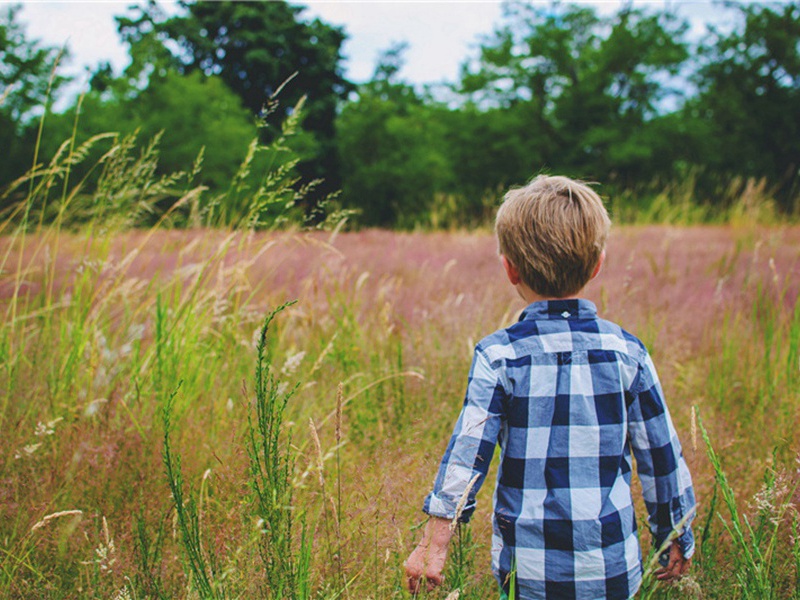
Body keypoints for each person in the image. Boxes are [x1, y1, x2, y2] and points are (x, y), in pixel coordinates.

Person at [404, 175, 696, 599]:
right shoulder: (627, 352)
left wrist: (434, 543)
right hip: (612, 568)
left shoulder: (499, 356)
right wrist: (675, 532)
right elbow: (661, 457)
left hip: (529, 574)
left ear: (509, 269)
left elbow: (467, 458)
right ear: (597, 265)